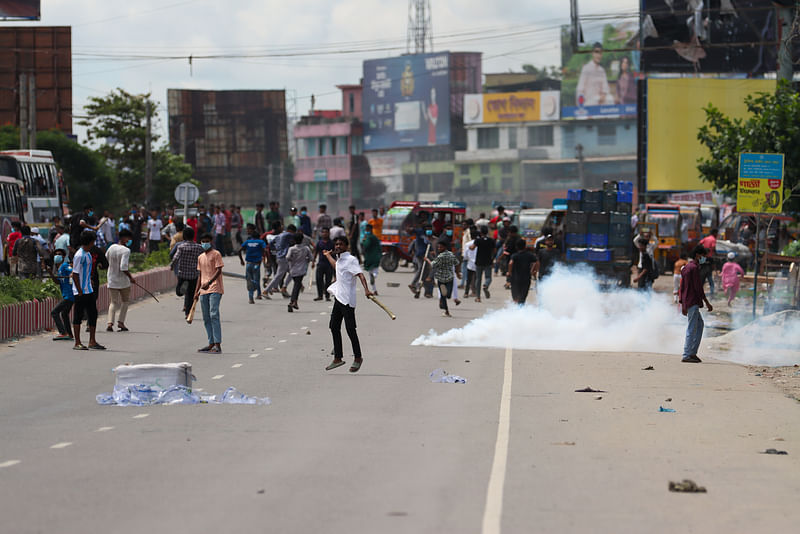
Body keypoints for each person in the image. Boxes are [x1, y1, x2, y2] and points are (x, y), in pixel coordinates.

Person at [323, 236, 373, 373]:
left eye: (340, 244)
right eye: (336, 244)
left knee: (350, 330)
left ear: (346, 246)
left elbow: (360, 275)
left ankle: (358, 358)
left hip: (347, 301)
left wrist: (366, 289)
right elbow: (336, 267)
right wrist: (328, 255)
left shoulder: (351, 260)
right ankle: (338, 358)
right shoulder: (340, 260)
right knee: (333, 326)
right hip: (339, 298)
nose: (338, 246)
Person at [679, 245, 713, 363]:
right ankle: (687, 354)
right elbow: (698, 288)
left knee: (699, 325)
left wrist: (682, 302)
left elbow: (682, 287)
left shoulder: (687, 267)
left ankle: (692, 352)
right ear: (698, 255)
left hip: (688, 301)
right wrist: (707, 303)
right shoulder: (693, 268)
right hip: (692, 301)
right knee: (692, 327)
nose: (704, 258)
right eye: (703, 256)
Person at [71, 231, 105, 351]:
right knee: (78, 316)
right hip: (80, 291)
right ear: (90, 242)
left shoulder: (89, 254)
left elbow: (87, 270)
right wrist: (79, 290)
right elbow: (75, 274)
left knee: (93, 314)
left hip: (89, 289)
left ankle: (92, 341)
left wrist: (90, 280)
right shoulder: (79, 255)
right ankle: (77, 342)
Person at [195, 233, 224, 354]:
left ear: (211, 241)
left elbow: (219, 270)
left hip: (215, 288)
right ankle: (211, 342)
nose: (204, 243)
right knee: (206, 317)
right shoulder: (200, 257)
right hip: (203, 289)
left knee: (214, 314)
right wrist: (196, 291)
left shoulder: (216, 254)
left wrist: (210, 282)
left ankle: (217, 344)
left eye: (206, 241)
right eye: (202, 241)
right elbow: (200, 275)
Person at [170, 227, 204, 318]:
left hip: (182, 273)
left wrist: (172, 266)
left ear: (184, 236)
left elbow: (175, 258)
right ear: (193, 236)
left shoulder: (181, 247)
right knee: (191, 294)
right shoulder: (199, 247)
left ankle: (181, 291)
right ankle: (188, 313)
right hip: (193, 274)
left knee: (179, 292)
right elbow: (203, 258)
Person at [106, 229, 134, 332]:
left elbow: (106, 258)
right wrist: (131, 277)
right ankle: (121, 322)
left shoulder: (111, 247)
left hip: (112, 279)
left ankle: (110, 323)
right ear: (124, 238)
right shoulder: (126, 250)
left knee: (113, 302)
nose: (129, 240)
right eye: (128, 238)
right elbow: (123, 267)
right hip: (123, 281)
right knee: (125, 301)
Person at [427, 240, 461, 317]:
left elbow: (433, 265)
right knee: (446, 295)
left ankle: (446, 308)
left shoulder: (440, 257)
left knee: (444, 296)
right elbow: (457, 263)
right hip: (449, 277)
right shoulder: (451, 255)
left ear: (445, 247)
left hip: (441, 278)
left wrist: (427, 260)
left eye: (440, 247)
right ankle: (446, 310)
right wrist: (457, 272)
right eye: (438, 247)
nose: (439, 248)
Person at [238, 224, 268, 304]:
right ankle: (258, 293)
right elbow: (265, 250)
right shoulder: (261, 242)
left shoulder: (248, 241)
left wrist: (241, 260)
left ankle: (251, 298)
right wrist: (265, 259)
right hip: (256, 264)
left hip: (248, 264)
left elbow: (239, 250)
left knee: (249, 281)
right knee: (256, 280)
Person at [576, 42, 612, 106]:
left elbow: (605, 87)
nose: (598, 55)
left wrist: (603, 95)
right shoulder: (586, 68)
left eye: (600, 53)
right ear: (593, 53)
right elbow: (580, 89)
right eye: (596, 52)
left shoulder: (602, 70)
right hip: (588, 102)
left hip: (600, 101)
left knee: (610, 99)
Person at [264, 222, 294, 298]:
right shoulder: (288, 234)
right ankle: (266, 290)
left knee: (292, 272)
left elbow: (270, 244)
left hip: (278, 256)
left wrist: (276, 249)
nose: (282, 226)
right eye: (281, 225)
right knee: (278, 276)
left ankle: (283, 287)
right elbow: (296, 238)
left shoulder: (279, 236)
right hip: (283, 257)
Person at [50, 249, 74, 341]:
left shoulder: (64, 266)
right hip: (66, 295)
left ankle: (63, 332)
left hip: (69, 295)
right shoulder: (59, 269)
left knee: (54, 312)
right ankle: (69, 334)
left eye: (59, 254)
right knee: (64, 314)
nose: (57, 256)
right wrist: (50, 273)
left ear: (64, 257)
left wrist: (72, 273)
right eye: (56, 254)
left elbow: (72, 271)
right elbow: (57, 282)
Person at [286, 232, 313, 312]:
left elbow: (287, 257)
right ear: (302, 240)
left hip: (293, 270)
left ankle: (295, 302)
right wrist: (306, 260)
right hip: (301, 270)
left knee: (297, 285)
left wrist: (292, 260)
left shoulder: (291, 249)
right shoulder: (306, 249)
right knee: (297, 286)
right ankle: (292, 301)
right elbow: (311, 258)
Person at [507, 240, 537, 305]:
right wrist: (533, 271)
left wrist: (509, 272)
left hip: (515, 279)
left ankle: (516, 309)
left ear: (516, 247)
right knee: (522, 298)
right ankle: (520, 310)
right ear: (525, 246)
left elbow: (510, 263)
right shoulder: (529, 255)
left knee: (515, 297)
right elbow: (536, 262)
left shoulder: (514, 255)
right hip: (526, 279)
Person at [471, 226, 495, 302]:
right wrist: (492, 258)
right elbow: (494, 250)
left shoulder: (478, 240)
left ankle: (478, 297)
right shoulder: (491, 240)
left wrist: (469, 247)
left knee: (478, 279)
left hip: (479, 262)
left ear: (481, 233)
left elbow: (472, 248)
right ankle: (486, 285)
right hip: (488, 261)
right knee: (488, 277)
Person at [312, 226, 334, 302]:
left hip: (329, 265)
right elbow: (315, 252)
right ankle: (320, 295)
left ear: (329, 233)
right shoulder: (319, 242)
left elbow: (335, 253)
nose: (324, 234)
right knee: (319, 280)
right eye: (323, 232)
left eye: (326, 232)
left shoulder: (332, 243)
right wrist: (313, 261)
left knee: (328, 280)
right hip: (321, 264)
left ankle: (327, 296)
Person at [361, 223, 382, 295]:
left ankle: (374, 288)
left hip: (369, 257)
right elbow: (379, 247)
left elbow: (366, 245)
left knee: (370, 273)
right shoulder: (375, 237)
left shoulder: (368, 237)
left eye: (366, 229)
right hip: (376, 257)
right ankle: (375, 290)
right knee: (375, 271)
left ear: (369, 229)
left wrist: (364, 241)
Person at [698, 229, 718, 295]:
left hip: (703, 260)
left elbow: (699, 244)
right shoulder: (713, 239)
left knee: (701, 281)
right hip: (709, 259)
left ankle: (699, 294)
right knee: (710, 281)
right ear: (715, 233)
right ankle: (712, 294)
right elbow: (713, 247)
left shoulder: (706, 238)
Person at [463, 226, 478, 298]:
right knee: (476, 279)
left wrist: (465, 259)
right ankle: (474, 292)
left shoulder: (467, 244)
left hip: (470, 263)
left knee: (468, 279)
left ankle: (466, 293)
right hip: (478, 263)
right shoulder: (478, 244)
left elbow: (465, 254)